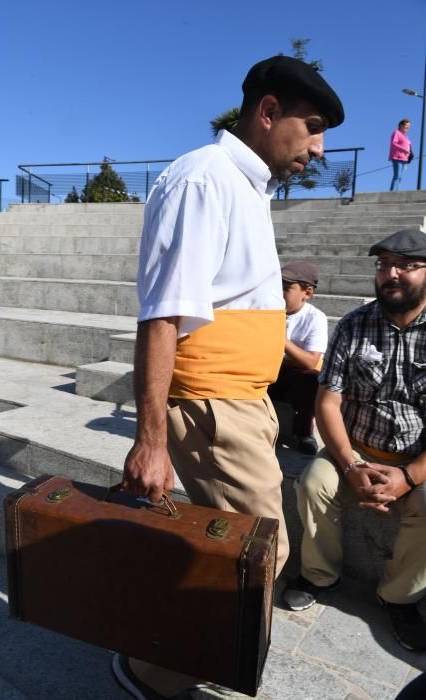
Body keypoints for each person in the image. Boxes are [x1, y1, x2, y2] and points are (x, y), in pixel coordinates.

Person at [111, 55, 344, 700]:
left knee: (243, 554)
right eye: (314, 126)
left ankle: (180, 660)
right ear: (268, 112)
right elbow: (162, 316)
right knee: (258, 557)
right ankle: (155, 673)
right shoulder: (204, 179)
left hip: (242, 402)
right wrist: (151, 440)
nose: (319, 147)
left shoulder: (243, 186)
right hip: (214, 405)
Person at [282, 228, 426, 652]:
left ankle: (398, 597)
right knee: (313, 484)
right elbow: (328, 402)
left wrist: (408, 477)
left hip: (416, 456)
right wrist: (349, 465)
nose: (391, 274)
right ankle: (320, 575)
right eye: (383, 265)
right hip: (356, 447)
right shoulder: (355, 325)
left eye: (405, 265)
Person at [268, 260, 328, 455]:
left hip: (295, 377)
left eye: (286, 288)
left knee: (312, 379)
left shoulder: (315, 318)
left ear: (307, 293)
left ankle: (303, 433)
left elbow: (310, 361)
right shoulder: (268, 311)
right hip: (270, 369)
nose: (279, 293)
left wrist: (280, 339)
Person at [389, 119, 412, 191]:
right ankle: (393, 193)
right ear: (401, 125)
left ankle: (395, 191)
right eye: (406, 126)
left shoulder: (406, 137)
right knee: (397, 176)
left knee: (400, 177)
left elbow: (409, 148)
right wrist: (404, 150)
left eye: (409, 126)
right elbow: (393, 143)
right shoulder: (396, 132)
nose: (408, 128)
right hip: (397, 157)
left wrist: (408, 155)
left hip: (404, 159)